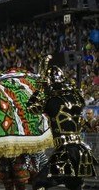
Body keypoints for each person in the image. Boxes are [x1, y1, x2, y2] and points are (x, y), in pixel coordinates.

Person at [28, 55, 98, 190]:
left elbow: (31, 108)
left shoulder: (51, 101)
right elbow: (79, 96)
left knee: (39, 183)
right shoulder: (77, 98)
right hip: (81, 149)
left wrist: (41, 88)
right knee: (74, 185)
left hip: (65, 151)